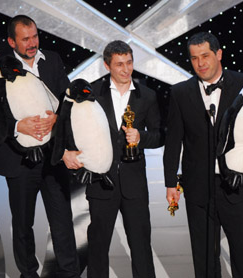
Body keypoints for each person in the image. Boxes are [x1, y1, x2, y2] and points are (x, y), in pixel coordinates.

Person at [164, 31, 243, 278]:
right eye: (194, 58)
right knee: (203, 256)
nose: (200, 63)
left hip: (236, 183)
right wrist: (171, 182)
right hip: (198, 186)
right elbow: (173, 141)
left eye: (205, 56)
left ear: (219, 54)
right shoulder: (180, 93)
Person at [0, 15, 80, 278]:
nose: (32, 42)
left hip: (53, 157)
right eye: (25, 39)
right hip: (19, 160)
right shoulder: (0, 69)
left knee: (62, 221)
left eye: (35, 36)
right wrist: (17, 126)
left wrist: (59, 117)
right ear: (12, 41)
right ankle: (28, 274)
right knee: (23, 225)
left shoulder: (53, 60)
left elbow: (70, 99)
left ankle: (70, 273)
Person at [62, 40, 163, 278]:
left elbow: (160, 135)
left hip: (134, 183)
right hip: (101, 181)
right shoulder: (92, 94)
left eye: (129, 62)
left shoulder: (147, 96)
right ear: (107, 65)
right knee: (97, 246)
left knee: (140, 245)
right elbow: (71, 128)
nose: (126, 69)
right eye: (119, 64)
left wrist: (141, 137)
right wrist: (71, 152)